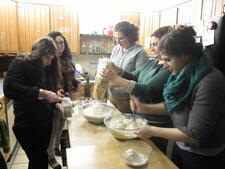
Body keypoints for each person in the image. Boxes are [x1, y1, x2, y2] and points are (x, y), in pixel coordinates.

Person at [130, 26, 225, 169]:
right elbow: (176, 106)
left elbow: (194, 134)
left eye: (167, 59)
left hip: (202, 154)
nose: (164, 66)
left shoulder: (210, 81)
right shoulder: (182, 74)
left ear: (185, 55)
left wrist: (151, 130)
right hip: (180, 145)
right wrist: (144, 108)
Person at [101, 26, 172, 153]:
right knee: (137, 152)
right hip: (139, 119)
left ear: (167, 44)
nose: (152, 48)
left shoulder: (168, 69)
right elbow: (134, 76)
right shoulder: (153, 62)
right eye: (152, 44)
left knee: (155, 157)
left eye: (156, 44)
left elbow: (147, 90)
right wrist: (116, 69)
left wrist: (115, 79)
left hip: (156, 123)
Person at [3, 37, 63, 169]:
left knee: (39, 161)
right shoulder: (20, 62)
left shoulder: (45, 67)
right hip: (28, 126)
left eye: (52, 58)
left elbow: (48, 93)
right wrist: (41, 93)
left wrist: (56, 103)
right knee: (39, 161)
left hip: (44, 124)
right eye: (47, 57)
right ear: (38, 53)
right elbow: (9, 88)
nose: (49, 62)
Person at [47, 31, 84, 169]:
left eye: (61, 42)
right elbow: (46, 81)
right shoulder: (49, 60)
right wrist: (53, 93)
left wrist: (76, 84)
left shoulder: (66, 59)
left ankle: (56, 148)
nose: (59, 45)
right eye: (56, 43)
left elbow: (69, 78)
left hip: (65, 98)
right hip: (53, 99)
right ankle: (50, 157)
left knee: (61, 126)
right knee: (53, 128)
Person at [108, 21, 149, 113]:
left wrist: (114, 82)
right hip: (112, 95)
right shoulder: (116, 49)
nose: (118, 42)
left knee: (121, 123)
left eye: (121, 38)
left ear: (131, 36)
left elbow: (139, 80)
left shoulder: (140, 53)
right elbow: (111, 69)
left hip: (127, 99)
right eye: (116, 38)